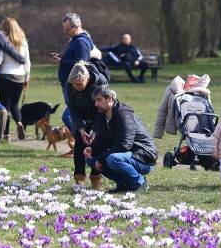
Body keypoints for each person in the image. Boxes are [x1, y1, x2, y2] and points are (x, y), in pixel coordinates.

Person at [83, 85, 158, 193]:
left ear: (110, 98)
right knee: (91, 159)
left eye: (99, 100)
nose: (96, 104)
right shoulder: (102, 116)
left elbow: (124, 145)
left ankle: (139, 183)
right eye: (95, 101)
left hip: (144, 157)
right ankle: (124, 183)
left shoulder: (124, 116)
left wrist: (102, 158)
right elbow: (101, 139)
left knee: (112, 159)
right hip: (127, 155)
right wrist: (92, 148)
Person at [50, 13, 95, 157]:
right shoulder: (76, 39)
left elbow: (82, 63)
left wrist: (62, 61)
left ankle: (87, 146)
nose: (65, 32)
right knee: (71, 116)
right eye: (64, 29)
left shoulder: (81, 42)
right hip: (70, 84)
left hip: (75, 86)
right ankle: (84, 146)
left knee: (69, 117)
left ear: (76, 27)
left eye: (67, 29)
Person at [66, 61, 109, 189]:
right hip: (81, 114)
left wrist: (95, 131)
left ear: (87, 78)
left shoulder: (100, 82)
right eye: (73, 84)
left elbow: (104, 107)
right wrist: (81, 128)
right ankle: (79, 178)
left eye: (79, 84)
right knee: (79, 143)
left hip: (99, 112)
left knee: (98, 143)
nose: (76, 87)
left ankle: (95, 178)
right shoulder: (70, 85)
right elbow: (72, 109)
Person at [0, 17, 31, 141]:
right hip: (19, 76)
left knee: (4, 105)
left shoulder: (2, 40)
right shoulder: (23, 41)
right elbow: (27, 63)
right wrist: (26, 78)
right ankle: (19, 123)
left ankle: (6, 135)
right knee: (15, 105)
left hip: (4, 75)